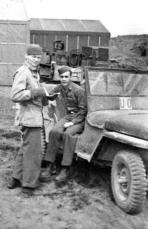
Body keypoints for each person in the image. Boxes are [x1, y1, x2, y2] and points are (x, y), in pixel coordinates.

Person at [8, 44, 54, 196]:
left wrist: (46, 96)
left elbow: (35, 93)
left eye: (38, 57)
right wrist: (36, 92)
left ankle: (15, 178)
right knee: (33, 153)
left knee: (26, 149)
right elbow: (15, 95)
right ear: (26, 57)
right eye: (33, 57)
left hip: (34, 117)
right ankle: (28, 186)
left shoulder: (34, 73)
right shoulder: (24, 72)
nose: (36, 60)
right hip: (30, 118)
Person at [41, 66, 87, 183]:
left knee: (68, 134)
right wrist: (42, 93)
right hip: (67, 116)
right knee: (54, 132)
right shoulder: (59, 88)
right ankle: (50, 165)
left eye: (66, 77)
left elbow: (83, 110)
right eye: (62, 77)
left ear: (70, 77)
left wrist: (72, 122)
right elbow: (48, 94)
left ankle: (65, 168)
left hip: (79, 119)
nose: (64, 79)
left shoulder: (78, 90)